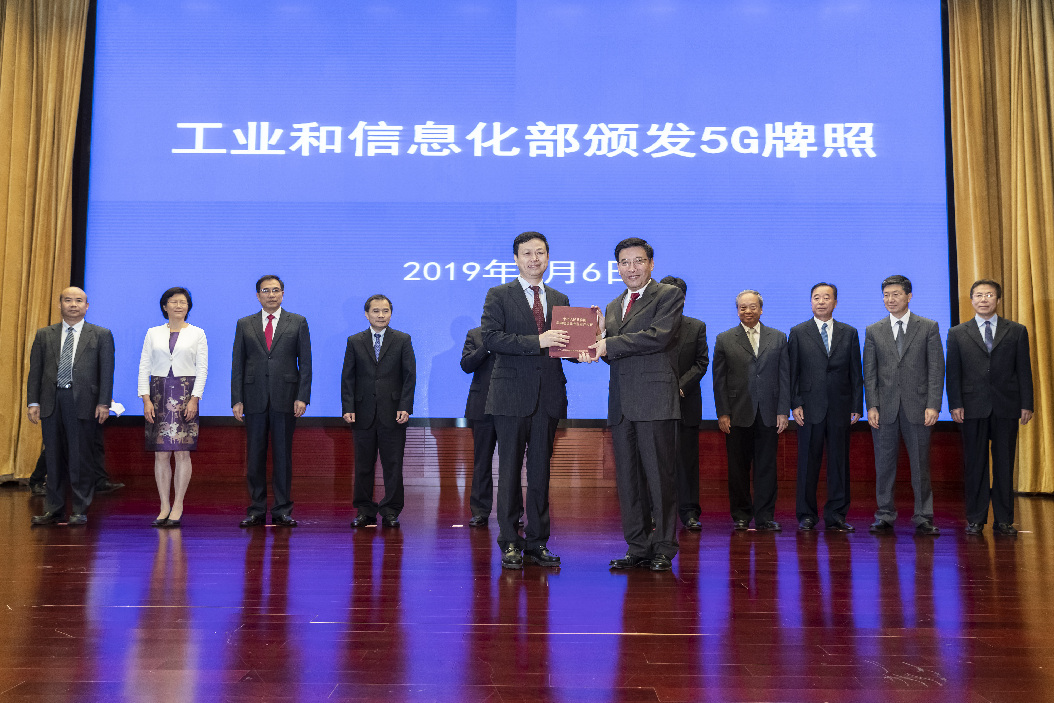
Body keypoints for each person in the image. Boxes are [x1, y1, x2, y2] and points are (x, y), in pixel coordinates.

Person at [584, 239, 682, 571]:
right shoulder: (613, 306)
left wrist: (608, 343)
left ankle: (664, 547)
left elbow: (659, 336)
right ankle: (637, 546)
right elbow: (614, 355)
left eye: (638, 261)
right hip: (622, 403)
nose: (632, 268)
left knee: (659, 478)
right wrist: (596, 342)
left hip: (654, 401)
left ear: (651, 264)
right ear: (617, 268)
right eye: (624, 263)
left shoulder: (668, 295)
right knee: (628, 480)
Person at [481, 231, 570, 570]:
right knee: (509, 472)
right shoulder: (499, 294)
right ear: (516, 259)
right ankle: (509, 541)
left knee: (540, 474)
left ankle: (537, 542)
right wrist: (538, 341)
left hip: (548, 397)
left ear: (548, 257)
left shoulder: (560, 297)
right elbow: (491, 338)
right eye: (528, 253)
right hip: (510, 396)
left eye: (540, 252)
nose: (535, 259)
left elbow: (564, 347)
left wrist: (591, 341)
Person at [947, 279, 1034, 536]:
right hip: (971, 406)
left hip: (1006, 405)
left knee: (1004, 464)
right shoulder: (957, 333)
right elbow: (953, 373)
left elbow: (1024, 371)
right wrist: (955, 403)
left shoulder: (1016, 331)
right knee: (975, 464)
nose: (983, 299)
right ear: (971, 300)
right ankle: (976, 518)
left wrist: (1026, 404)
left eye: (989, 295)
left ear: (998, 299)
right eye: (979, 295)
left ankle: (1004, 520)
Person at [863, 274, 944, 535]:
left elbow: (936, 369)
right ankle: (885, 514)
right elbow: (870, 373)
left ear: (909, 296)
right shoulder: (874, 330)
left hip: (918, 407)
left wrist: (933, 405)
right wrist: (872, 405)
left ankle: (924, 515)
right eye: (886, 295)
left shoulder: (928, 327)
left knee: (920, 465)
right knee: (884, 465)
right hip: (884, 409)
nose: (890, 299)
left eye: (896, 294)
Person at [26, 287, 115, 526]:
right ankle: (53, 510)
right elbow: (35, 371)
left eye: (79, 300)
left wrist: (103, 402)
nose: (73, 304)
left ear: (87, 306)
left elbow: (106, 372)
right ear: (60, 304)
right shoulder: (44, 335)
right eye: (68, 300)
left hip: (84, 402)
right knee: (53, 457)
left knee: (80, 458)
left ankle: (79, 509)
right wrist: (33, 401)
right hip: (51, 400)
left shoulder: (101, 334)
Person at [231, 275, 312, 528]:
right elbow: (238, 364)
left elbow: (305, 363)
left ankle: (282, 510)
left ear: (283, 294)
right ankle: (256, 509)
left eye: (276, 290)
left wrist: (302, 396)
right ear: (258, 296)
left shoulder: (297, 322)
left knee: (282, 457)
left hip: (286, 398)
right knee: (255, 457)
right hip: (253, 398)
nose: (271, 295)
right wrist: (237, 399)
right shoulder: (244, 323)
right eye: (266, 291)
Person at [712, 290, 790, 532]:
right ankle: (741, 515)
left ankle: (765, 516)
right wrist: (723, 413)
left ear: (761, 309)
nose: (748, 311)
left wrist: (783, 410)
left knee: (767, 467)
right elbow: (719, 381)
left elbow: (784, 377)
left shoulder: (778, 337)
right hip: (737, 413)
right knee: (738, 469)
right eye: (743, 307)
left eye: (752, 306)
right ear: (737, 311)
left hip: (769, 412)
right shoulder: (724, 339)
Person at [788, 282, 862, 532]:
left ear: (835, 302)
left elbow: (856, 372)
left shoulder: (849, 332)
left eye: (826, 298)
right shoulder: (798, 332)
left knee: (839, 463)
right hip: (809, 407)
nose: (821, 302)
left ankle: (837, 514)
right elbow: (793, 372)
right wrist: (795, 403)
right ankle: (806, 514)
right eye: (816, 298)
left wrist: (856, 404)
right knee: (808, 463)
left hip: (841, 406)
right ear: (811, 302)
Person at [342, 294, 417, 528]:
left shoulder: (402, 339)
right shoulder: (355, 341)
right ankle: (365, 510)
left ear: (391, 314)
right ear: (367, 314)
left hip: (393, 413)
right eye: (376, 311)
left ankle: (391, 510)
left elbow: (409, 376)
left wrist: (405, 406)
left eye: (385, 311)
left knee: (392, 466)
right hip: (362, 412)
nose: (381, 315)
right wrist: (348, 407)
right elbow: (348, 377)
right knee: (363, 466)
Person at [138, 287, 208, 528]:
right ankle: (164, 506)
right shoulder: (153, 333)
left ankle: (178, 505)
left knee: (182, 452)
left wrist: (195, 399)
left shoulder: (198, 333)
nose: (179, 305)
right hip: (158, 394)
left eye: (183, 302)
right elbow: (144, 366)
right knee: (161, 453)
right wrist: (145, 399)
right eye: (174, 301)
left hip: (185, 395)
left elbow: (202, 369)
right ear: (164, 306)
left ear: (188, 307)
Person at [658, 276, 708, 531]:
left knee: (687, 462)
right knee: (656, 463)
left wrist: (680, 386)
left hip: (686, 403)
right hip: (655, 405)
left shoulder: (696, 326)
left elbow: (701, 362)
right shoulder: (650, 326)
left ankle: (689, 513)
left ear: (684, 298)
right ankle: (656, 513)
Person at [461, 326, 501, 527]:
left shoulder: (516, 334)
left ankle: (513, 510)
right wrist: (486, 346)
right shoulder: (475, 334)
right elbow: (466, 365)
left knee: (511, 462)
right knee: (482, 461)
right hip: (481, 407)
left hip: (511, 407)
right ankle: (479, 511)